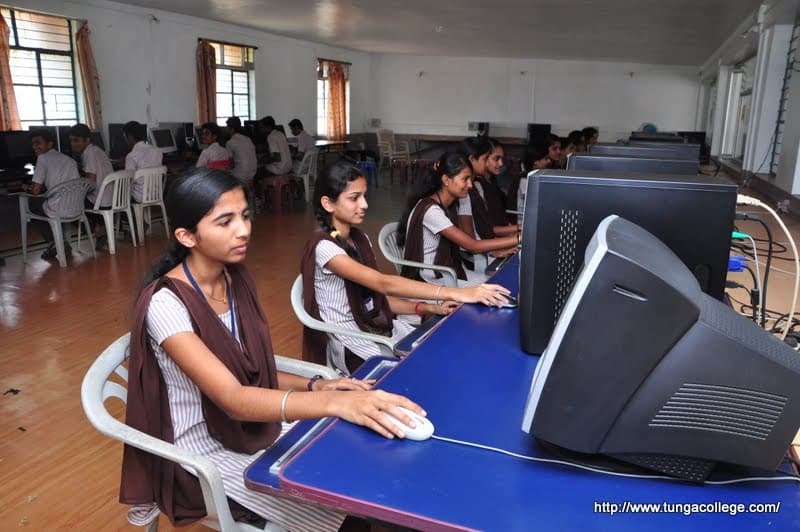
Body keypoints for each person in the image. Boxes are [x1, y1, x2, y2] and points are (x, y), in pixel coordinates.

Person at [121, 168, 427, 531]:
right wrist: (333, 403)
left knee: (356, 474)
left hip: (249, 424)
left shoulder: (234, 279)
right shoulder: (166, 304)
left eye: (245, 216)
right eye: (225, 221)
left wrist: (317, 386)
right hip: (201, 449)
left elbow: (252, 370)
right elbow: (233, 395)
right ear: (186, 236)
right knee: (342, 513)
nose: (244, 230)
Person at [301, 160, 511, 374]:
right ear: (328, 204)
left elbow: (376, 299)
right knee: (426, 368)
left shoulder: (360, 239)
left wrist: (425, 307)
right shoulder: (324, 247)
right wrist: (459, 293)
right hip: (353, 340)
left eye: (364, 196)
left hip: (376, 327)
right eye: (354, 198)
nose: (364, 204)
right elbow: (382, 284)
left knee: (442, 350)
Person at [397, 152, 519, 287]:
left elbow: (469, 241)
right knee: (499, 289)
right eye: (465, 179)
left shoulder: (453, 203)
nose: (470, 185)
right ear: (446, 180)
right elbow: (472, 245)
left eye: (471, 179)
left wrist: (496, 250)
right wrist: (519, 239)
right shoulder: (431, 211)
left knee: (501, 284)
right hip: (431, 278)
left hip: (450, 271)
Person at [455, 138, 517, 271]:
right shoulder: (464, 193)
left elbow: (484, 230)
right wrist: (518, 237)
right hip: (473, 258)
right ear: (472, 159)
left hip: (483, 249)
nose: (500, 164)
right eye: (485, 159)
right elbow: (471, 243)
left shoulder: (475, 188)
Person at [21, 128, 80, 259]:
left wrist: (27, 188)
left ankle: (53, 243)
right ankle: (61, 242)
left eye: (38, 143)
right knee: (44, 202)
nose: (35, 146)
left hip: (58, 208)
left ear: (49, 144)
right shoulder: (69, 159)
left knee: (31, 204)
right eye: (33, 143)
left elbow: (36, 190)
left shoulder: (42, 158)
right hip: (76, 207)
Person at [69, 123, 115, 249]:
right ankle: (99, 227)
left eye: (76, 140)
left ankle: (97, 231)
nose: (73, 144)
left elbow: (90, 181)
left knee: (69, 203)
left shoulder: (89, 153)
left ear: (87, 140)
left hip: (100, 201)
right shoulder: (98, 150)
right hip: (112, 199)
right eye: (71, 140)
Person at [507, 141, 551, 225]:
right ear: (535, 161)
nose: (549, 161)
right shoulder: (525, 180)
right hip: (521, 224)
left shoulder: (532, 177)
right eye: (546, 158)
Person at [123, 120, 163, 202]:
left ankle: (126, 214)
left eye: (125, 137)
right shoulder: (157, 151)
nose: (125, 140)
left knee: (120, 188)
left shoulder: (131, 156)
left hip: (140, 198)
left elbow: (128, 181)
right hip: (157, 195)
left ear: (130, 137)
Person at [225, 117, 257, 186]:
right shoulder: (248, 139)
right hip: (252, 175)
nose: (226, 130)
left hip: (240, 176)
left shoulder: (230, 142)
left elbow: (231, 165)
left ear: (232, 129)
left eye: (227, 127)